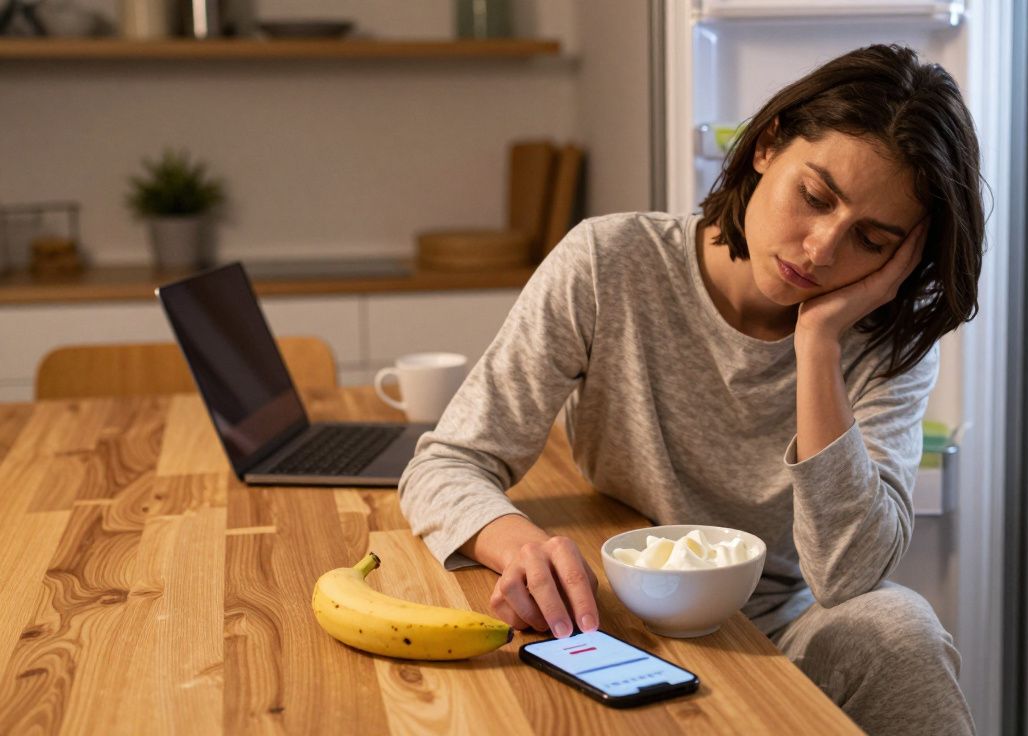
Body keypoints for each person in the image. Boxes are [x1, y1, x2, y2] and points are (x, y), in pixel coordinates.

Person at [398, 43, 984, 735]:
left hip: (779, 631)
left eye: (871, 238)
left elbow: (848, 576)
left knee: (903, 628)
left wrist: (818, 347)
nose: (822, 250)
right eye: (815, 197)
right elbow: (446, 462)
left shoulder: (885, 344)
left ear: (902, 257)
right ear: (768, 145)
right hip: (610, 615)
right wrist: (518, 544)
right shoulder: (609, 263)